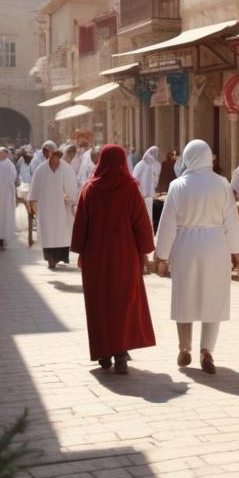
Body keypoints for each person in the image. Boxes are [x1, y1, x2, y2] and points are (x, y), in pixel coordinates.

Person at [153, 140, 239, 374]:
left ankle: (185, 347)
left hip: (186, 247)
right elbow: (231, 220)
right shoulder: (222, 184)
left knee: (185, 297)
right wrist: (237, 253)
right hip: (216, 246)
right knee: (213, 299)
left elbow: (167, 223)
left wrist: (161, 255)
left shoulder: (177, 185)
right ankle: (207, 351)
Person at [71, 145, 157, 374]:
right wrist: (146, 252)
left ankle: (104, 351)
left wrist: (79, 252)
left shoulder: (89, 189)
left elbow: (81, 223)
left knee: (100, 303)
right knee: (123, 302)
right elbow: (141, 223)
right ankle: (120, 352)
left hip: (95, 257)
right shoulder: (130, 189)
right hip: (125, 256)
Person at [28, 144, 78, 270]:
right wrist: (32, 201)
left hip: (61, 208)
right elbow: (34, 187)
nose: (56, 160)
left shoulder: (66, 169)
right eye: (54, 156)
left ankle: (60, 257)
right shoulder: (41, 169)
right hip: (46, 206)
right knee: (48, 232)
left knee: (61, 233)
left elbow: (71, 187)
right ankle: (50, 259)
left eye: (58, 157)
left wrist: (72, 199)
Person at [0, 147, 18, 249]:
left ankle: (4, 238)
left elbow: (13, 177)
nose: (1, 155)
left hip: (7, 196)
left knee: (6, 216)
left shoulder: (9, 164)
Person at [132, 146, 161, 223]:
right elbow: (155, 180)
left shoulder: (140, 164)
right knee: (147, 214)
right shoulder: (154, 165)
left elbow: (134, 178)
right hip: (146, 194)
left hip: (140, 194)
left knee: (143, 215)